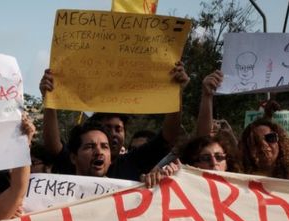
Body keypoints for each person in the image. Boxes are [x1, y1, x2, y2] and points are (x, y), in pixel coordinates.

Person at [40, 62, 189, 181]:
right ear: (74, 158)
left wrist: (175, 93)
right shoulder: (75, 162)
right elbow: (53, 145)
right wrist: (49, 100)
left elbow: (168, 136)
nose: (113, 134)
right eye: (107, 128)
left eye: (118, 129)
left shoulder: (133, 161)